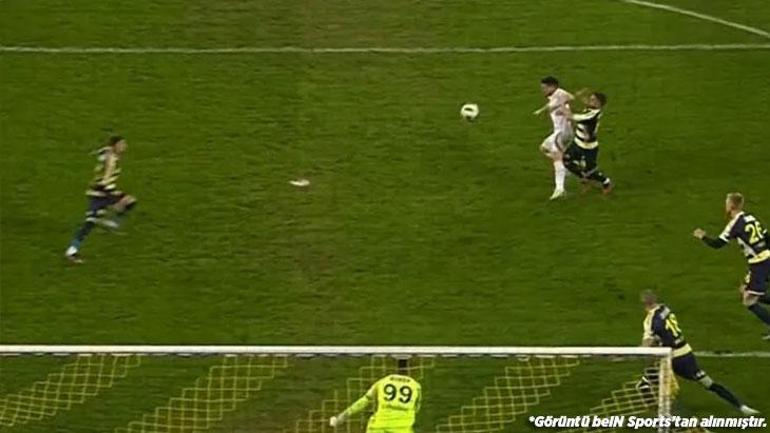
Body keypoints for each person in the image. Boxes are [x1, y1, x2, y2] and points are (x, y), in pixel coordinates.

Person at [638, 291, 758, 415]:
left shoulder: (650, 321)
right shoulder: (665, 309)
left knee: (646, 384)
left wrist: (638, 350)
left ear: (644, 304)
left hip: (672, 359)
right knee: (708, 383)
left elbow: (647, 344)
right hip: (687, 354)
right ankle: (742, 407)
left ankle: (662, 413)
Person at [693, 193, 770, 339]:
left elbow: (718, 244)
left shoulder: (734, 224)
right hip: (766, 258)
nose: (725, 206)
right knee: (746, 290)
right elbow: (767, 237)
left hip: (759, 264)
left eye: (727, 203)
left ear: (731, 206)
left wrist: (703, 236)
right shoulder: (751, 218)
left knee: (748, 300)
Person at [65, 135, 137, 264]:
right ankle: (111, 222)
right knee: (127, 202)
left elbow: (102, 155)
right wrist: (109, 190)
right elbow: (105, 178)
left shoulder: (107, 153)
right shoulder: (111, 159)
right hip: (101, 192)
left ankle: (72, 250)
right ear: (115, 145)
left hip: (100, 191)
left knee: (91, 222)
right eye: (121, 144)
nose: (124, 147)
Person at [330, 358, 422, 433]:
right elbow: (416, 408)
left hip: (378, 427)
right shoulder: (415, 386)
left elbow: (364, 401)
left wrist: (342, 416)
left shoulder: (383, 381)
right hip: (402, 428)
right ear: (410, 368)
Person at [533, 76, 574, 200]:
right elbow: (551, 105)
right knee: (543, 148)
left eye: (545, 88)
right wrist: (541, 110)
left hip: (562, 132)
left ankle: (560, 189)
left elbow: (570, 98)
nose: (543, 90)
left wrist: (562, 105)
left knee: (557, 158)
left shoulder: (560, 93)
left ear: (553, 87)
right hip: (560, 132)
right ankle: (567, 166)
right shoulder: (554, 96)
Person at [563, 92, 612, 194]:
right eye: (591, 99)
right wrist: (581, 97)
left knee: (591, 171)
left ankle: (606, 182)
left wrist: (565, 105)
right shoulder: (590, 108)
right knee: (567, 160)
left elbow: (571, 117)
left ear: (599, 104)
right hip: (577, 143)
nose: (590, 101)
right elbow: (585, 102)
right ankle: (584, 178)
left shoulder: (592, 115)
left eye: (593, 100)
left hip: (588, 147)